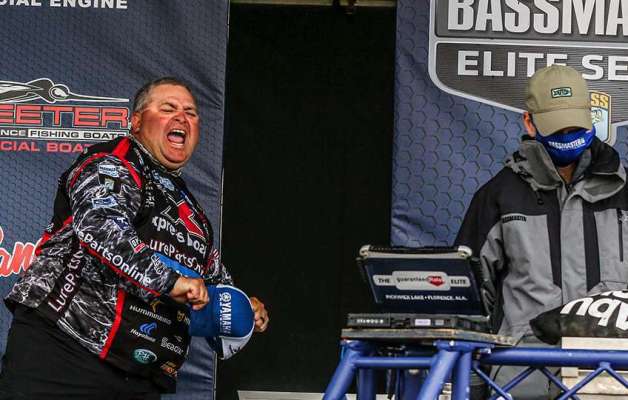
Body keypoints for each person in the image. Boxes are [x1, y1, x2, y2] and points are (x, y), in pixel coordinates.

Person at [0, 77, 269, 400]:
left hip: (141, 376)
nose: (181, 118)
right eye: (168, 108)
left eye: (190, 112)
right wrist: (171, 281)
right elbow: (101, 227)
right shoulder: (114, 162)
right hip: (65, 354)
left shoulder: (192, 211)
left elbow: (208, 279)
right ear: (137, 121)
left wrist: (242, 306)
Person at [455, 65, 628, 399]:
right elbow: (470, 299)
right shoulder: (498, 195)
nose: (568, 135)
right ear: (529, 123)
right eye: (558, 128)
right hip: (520, 380)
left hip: (613, 379)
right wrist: (472, 388)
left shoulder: (626, 192)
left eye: (576, 126)